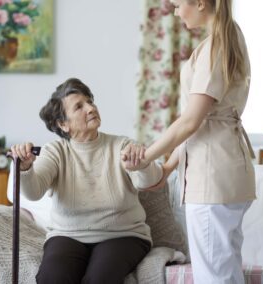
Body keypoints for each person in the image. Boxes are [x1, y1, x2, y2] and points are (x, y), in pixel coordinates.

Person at [122, 0, 256, 283]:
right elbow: (202, 120)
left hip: (212, 177)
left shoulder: (216, 45)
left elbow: (191, 121)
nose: (175, 12)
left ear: (199, 3)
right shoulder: (230, 35)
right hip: (227, 172)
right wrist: (168, 167)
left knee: (214, 276)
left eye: (178, 4)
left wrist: (146, 156)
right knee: (226, 271)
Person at [10, 78, 163, 284]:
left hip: (122, 235)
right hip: (68, 235)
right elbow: (33, 192)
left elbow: (150, 182)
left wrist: (141, 164)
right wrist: (25, 168)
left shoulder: (122, 145)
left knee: (99, 279)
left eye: (90, 102)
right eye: (79, 107)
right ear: (63, 124)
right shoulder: (55, 151)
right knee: (52, 278)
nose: (91, 108)